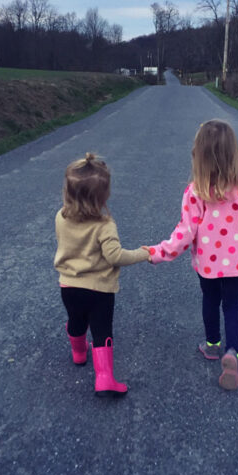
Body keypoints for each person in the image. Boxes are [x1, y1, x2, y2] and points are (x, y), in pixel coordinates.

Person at [146, 119, 238, 390]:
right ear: (234, 154)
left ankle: (212, 345)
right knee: (233, 306)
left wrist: (159, 253)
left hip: (207, 266)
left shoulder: (195, 193)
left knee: (210, 300)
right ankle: (233, 352)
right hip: (237, 265)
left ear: (198, 157)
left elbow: (184, 233)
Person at [54, 153, 149, 397]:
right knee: (101, 330)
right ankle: (104, 378)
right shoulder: (105, 225)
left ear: (68, 192)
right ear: (103, 196)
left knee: (76, 320)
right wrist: (143, 253)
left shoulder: (61, 217)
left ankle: (78, 353)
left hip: (69, 286)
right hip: (100, 290)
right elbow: (115, 257)